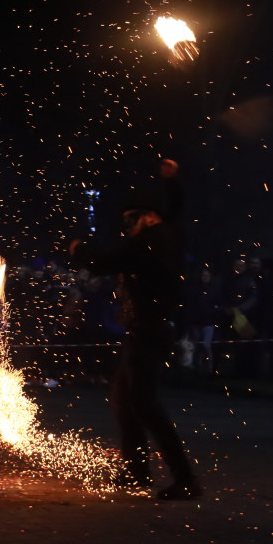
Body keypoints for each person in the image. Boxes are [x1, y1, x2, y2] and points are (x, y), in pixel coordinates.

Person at [70, 158, 200, 500]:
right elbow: (175, 209)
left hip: (150, 331)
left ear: (149, 217)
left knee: (144, 404)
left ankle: (184, 478)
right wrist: (172, 183)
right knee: (125, 401)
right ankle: (137, 472)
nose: (127, 226)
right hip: (146, 330)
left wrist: (79, 250)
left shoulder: (149, 242)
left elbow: (104, 261)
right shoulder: (163, 236)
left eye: (131, 219)